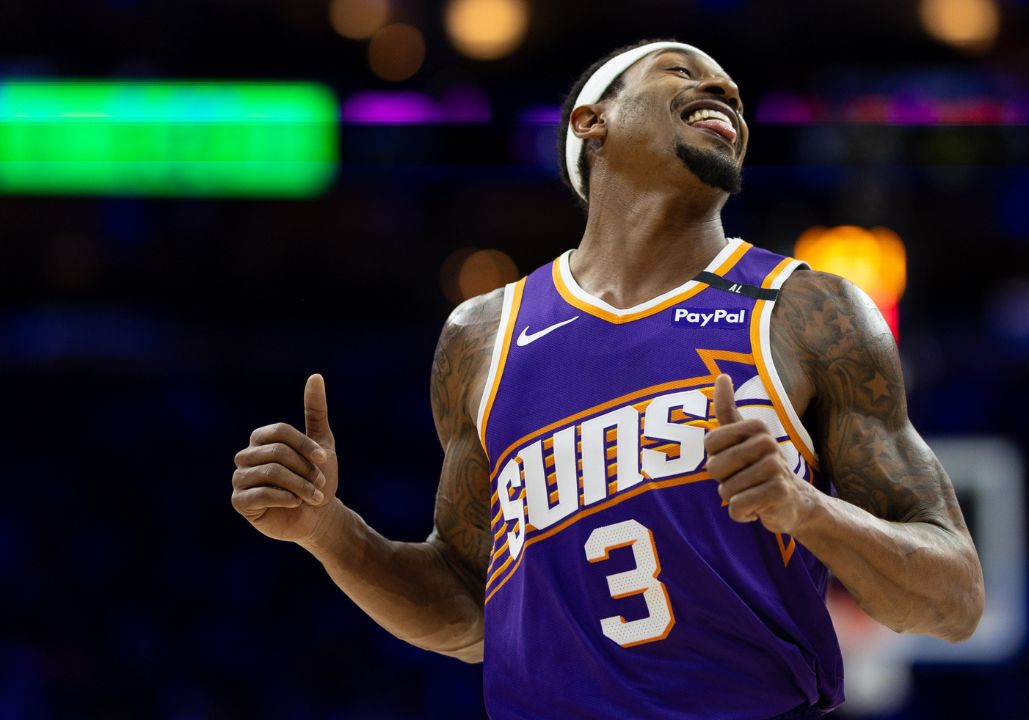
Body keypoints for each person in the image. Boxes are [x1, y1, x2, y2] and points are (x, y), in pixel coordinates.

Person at [230, 39, 984, 719]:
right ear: (593, 121)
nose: (723, 92)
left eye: (732, 92)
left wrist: (806, 511)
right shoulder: (483, 335)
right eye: (684, 71)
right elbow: (467, 611)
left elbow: (955, 599)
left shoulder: (806, 311)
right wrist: (325, 531)